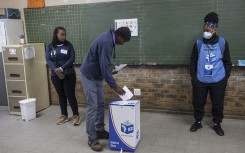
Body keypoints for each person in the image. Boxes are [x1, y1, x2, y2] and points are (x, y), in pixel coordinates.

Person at [80, 27, 131, 151]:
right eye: (123, 40)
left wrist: (111, 67)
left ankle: (100, 130)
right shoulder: (106, 41)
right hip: (89, 76)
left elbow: (103, 62)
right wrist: (114, 86)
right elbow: (103, 66)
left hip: (97, 76)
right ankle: (92, 138)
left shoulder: (109, 39)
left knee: (101, 104)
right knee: (92, 107)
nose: (123, 43)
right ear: (118, 35)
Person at [190, 12, 232, 136]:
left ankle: (217, 124)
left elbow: (228, 62)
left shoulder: (223, 43)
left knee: (218, 104)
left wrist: (225, 78)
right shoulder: (198, 43)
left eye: (210, 29)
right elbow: (192, 61)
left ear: (215, 29)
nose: (207, 31)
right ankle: (197, 122)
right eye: (205, 29)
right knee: (198, 103)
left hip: (218, 80)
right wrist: (193, 77)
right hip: (201, 80)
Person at [46, 26, 80, 126]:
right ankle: (64, 115)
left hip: (68, 74)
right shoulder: (50, 46)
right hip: (55, 75)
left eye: (65, 34)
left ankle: (76, 115)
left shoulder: (68, 45)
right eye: (62, 34)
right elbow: (48, 60)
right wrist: (56, 71)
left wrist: (61, 69)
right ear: (56, 34)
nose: (64, 36)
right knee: (61, 95)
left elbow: (72, 58)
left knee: (70, 95)